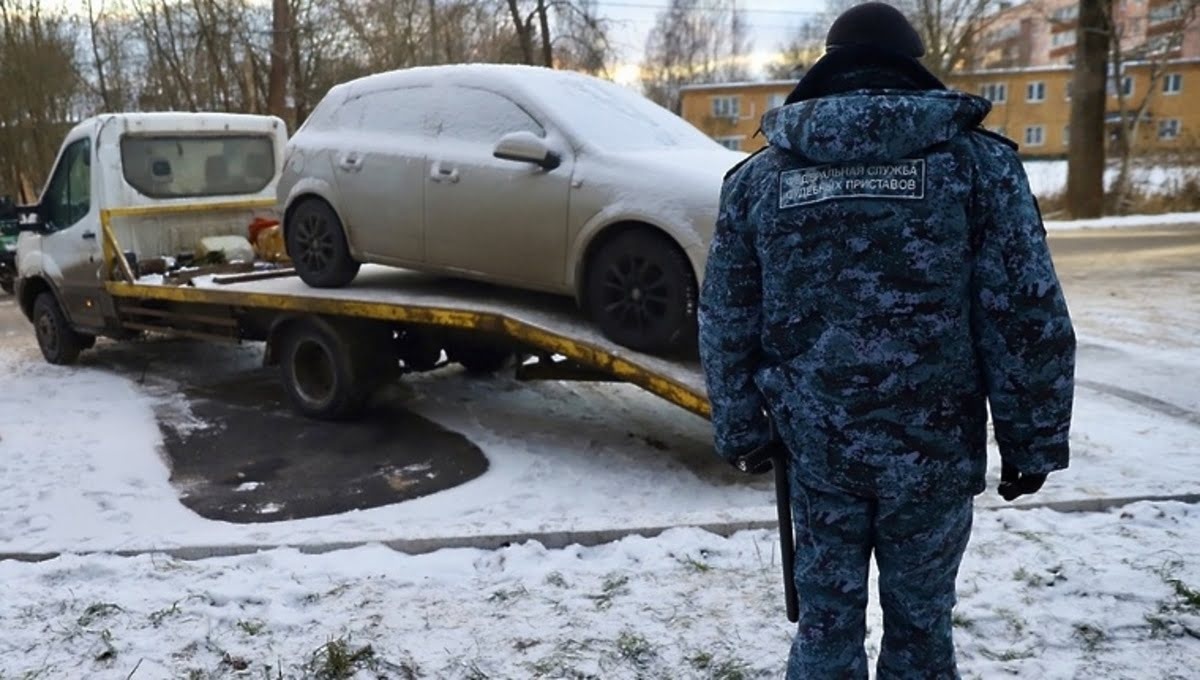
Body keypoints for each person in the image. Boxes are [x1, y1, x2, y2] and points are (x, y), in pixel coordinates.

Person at [697, 3, 1076, 678]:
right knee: (922, 630)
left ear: (829, 66)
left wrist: (742, 429)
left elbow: (727, 318)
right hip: (933, 451)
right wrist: (1033, 439)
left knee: (824, 628)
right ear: (911, 64)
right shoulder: (978, 168)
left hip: (816, 451)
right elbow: (1024, 312)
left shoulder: (759, 180)